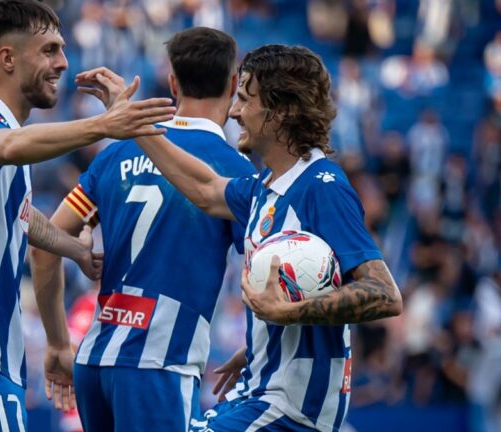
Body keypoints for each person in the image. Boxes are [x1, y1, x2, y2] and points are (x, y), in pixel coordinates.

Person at [82, 44, 403, 431]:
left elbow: (384, 293)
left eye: (246, 100)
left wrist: (286, 314)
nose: (234, 112)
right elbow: (202, 188)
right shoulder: (261, 188)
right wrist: (263, 346)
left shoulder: (322, 187)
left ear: (281, 111)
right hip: (259, 394)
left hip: (293, 410)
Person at [0, 1, 176, 431]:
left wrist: (73, 249)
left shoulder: (6, 139)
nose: (63, 63)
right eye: (50, 50)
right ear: (8, 58)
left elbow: (21, 216)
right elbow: (10, 147)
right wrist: (103, 125)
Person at [31, 27, 257, 431]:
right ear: (234, 84)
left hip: (94, 361)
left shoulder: (116, 153)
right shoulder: (236, 173)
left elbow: (45, 243)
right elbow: (262, 274)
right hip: (159, 364)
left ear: (173, 83)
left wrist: (57, 342)